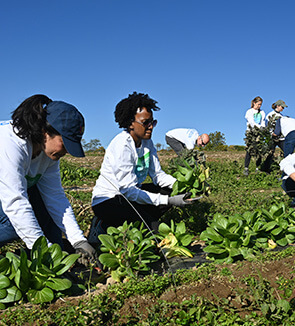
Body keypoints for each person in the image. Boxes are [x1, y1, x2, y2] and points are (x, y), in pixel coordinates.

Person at [0, 94, 98, 267]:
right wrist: (45, 251)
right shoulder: (11, 143)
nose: (66, 151)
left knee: (45, 208)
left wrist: (78, 240)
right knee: (13, 222)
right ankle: (45, 260)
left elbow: (55, 197)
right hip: (7, 200)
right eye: (64, 143)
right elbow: (15, 203)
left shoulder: (49, 154)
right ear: (45, 132)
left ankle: (51, 267)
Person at [89, 92, 192, 243]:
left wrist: (182, 186)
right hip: (110, 200)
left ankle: (138, 219)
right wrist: (169, 201)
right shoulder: (122, 145)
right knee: (153, 230)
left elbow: (158, 175)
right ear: (130, 123)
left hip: (130, 194)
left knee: (168, 190)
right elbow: (128, 191)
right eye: (146, 123)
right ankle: (102, 224)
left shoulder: (147, 143)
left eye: (153, 122)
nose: (151, 127)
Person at [261, 100, 287, 173]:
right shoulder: (270, 115)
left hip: (281, 138)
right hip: (272, 138)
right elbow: (267, 126)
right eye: (282, 107)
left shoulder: (281, 116)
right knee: (270, 153)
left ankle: (287, 169)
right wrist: (271, 133)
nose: (283, 109)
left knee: (287, 152)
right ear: (277, 106)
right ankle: (266, 170)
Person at [243, 96, 266, 176]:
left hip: (259, 133)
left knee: (259, 150)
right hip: (251, 132)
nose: (259, 106)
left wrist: (263, 129)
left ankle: (258, 168)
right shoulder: (249, 112)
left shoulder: (262, 112)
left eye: (260, 104)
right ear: (254, 103)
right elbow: (251, 122)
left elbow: (262, 122)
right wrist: (259, 128)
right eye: (258, 104)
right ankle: (246, 168)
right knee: (249, 149)